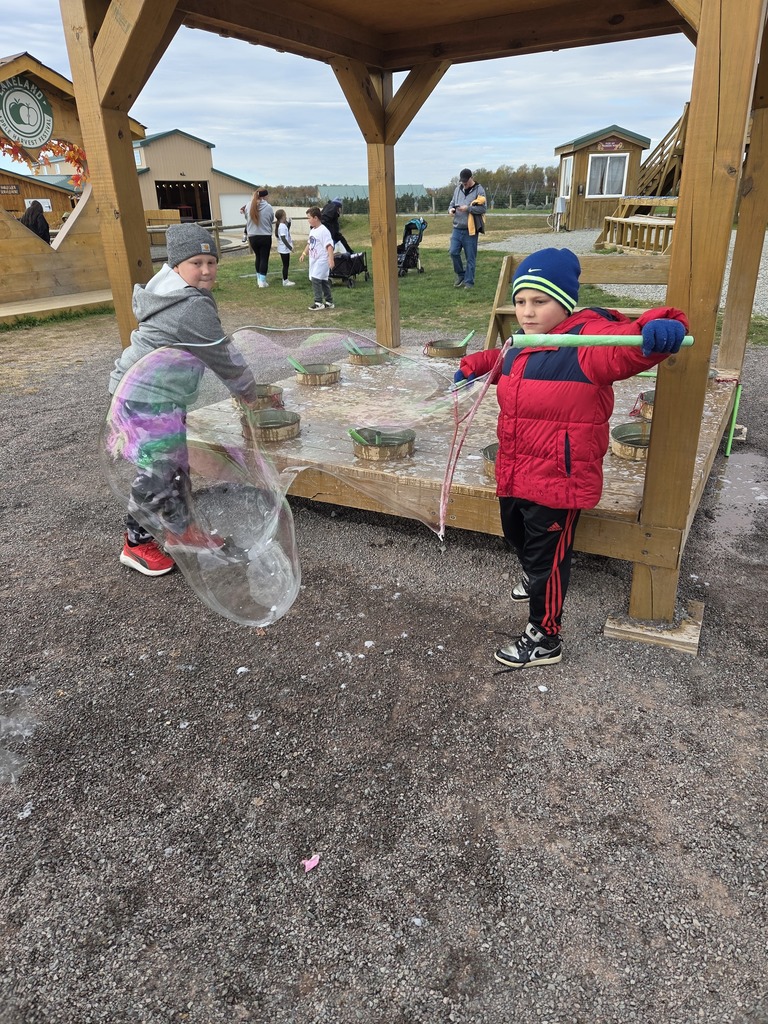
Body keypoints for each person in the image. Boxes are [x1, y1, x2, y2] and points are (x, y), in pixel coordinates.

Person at [452, 247, 688, 669]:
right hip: (517, 466)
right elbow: (503, 359)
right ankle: (533, 577)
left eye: (539, 302)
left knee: (547, 560)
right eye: (521, 301)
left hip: (558, 479)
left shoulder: (586, 344)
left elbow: (629, 345)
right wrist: (474, 364)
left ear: (564, 302)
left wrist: (662, 329)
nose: (527, 312)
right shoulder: (526, 341)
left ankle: (545, 637)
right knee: (514, 533)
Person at [108, 223, 260, 577]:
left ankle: (181, 531)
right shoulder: (190, 306)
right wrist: (250, 396)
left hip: (156, 393)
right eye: (197, 262)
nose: (206, 270)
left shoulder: (174, 293)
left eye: (212, 261)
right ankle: (136, 542)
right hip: (145, 396)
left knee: (176, 466)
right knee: (159, 470)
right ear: (177, 266)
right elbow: (224, 357)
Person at [448, 169, 486, 289]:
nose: (464, 184)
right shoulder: (457, 189)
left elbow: (483, 209)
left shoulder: (479, 190)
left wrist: (468, 208)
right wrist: (451, 210)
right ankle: (461, 275)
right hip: (457, 228)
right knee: (453, 252)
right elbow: (451, 203)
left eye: (466, 181)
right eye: (462, 181)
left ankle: (469, 282)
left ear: (471, 178)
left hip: (471, 229)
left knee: (470, 257)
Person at [300, 207, 336, 310]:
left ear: (315, 218)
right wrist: (304, 253)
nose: (308, 220)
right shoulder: (313, 231)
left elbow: (329, 246)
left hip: (322, 260)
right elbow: (309, 243)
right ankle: (329, 302)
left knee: (316, 279)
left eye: (309, 218)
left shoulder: (323, 231)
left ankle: (318, 302)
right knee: (323, 280)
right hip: (314, 260)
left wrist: (331, 259)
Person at [245, 188, 275, 287]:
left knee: (258, 256)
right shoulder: (268, 207)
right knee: (264, 258)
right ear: (265, 196)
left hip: (252, 236)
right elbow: (271, 219)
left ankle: (258, 279)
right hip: (265, 235)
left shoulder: (249, 205)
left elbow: (246, 217)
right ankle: (262, 281)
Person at [274, 208, 295, 287]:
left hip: (283, 249)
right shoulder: (282, 226)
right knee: (286, 265)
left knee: (286, 265)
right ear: (282, 217)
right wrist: (290, 247)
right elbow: (283, 238)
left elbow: (286, 234)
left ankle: (285, 279)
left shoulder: (283, 225)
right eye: (285, 215)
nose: (286, 216)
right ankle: (285, 281)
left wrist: (289, 225)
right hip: (284, 249)